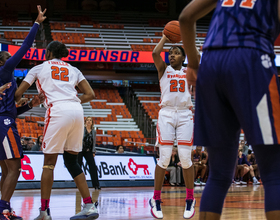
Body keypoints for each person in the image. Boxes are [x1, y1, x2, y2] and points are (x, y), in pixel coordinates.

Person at [179, 0, 280, 219]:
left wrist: (194, 64)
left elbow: (186, 17)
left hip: (211, 64)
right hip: (251, 57)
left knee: (218, 175)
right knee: (274, 173)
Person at [15, 41, 98, 220]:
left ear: (48, 53)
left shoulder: (38, 68)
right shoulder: (73, 69)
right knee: (71, 160)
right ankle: (89, 205)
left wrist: (22, 102)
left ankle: (44, 212)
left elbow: (17, 94)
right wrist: (71, 100)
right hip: (77, 111)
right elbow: (90, 94)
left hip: (58, 110)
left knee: (49, 163)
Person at [0, 5, 46, 220]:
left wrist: (29, 105)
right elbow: (26, 46)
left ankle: (3, 209)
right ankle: (4, 210)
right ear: (3, 61)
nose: (12, 59)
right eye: (8, 57)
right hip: (4, 124)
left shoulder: (5, 79)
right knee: (15, 168)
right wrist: (37, 22)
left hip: (4, 119)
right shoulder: (5, 70)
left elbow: (11, 109)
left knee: (7, 169)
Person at [149, 33, 197, 219]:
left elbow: (198, 60)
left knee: (185, 159)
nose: (172, 55)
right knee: (164, 158)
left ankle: (190, 199)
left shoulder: (190, 70)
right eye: (170, 53)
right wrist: (164, 38)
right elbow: (155, 54)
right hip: (167, 113)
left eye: (176, 53)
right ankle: (156, 199)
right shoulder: (163, 69)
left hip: (185, 114)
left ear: (183, 57)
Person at [78, 116, 100, 190]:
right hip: (80, 150)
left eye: (90, 120)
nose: (89, 121)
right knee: (78, 167)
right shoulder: (82, 129)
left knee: (93, 167)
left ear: (92, 122)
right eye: (87, 120)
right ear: (85, 122)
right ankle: (78, 184)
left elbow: (93, 142)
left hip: (88, 151)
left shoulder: (94, 131)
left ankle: (96, 184)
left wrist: (93, 151)